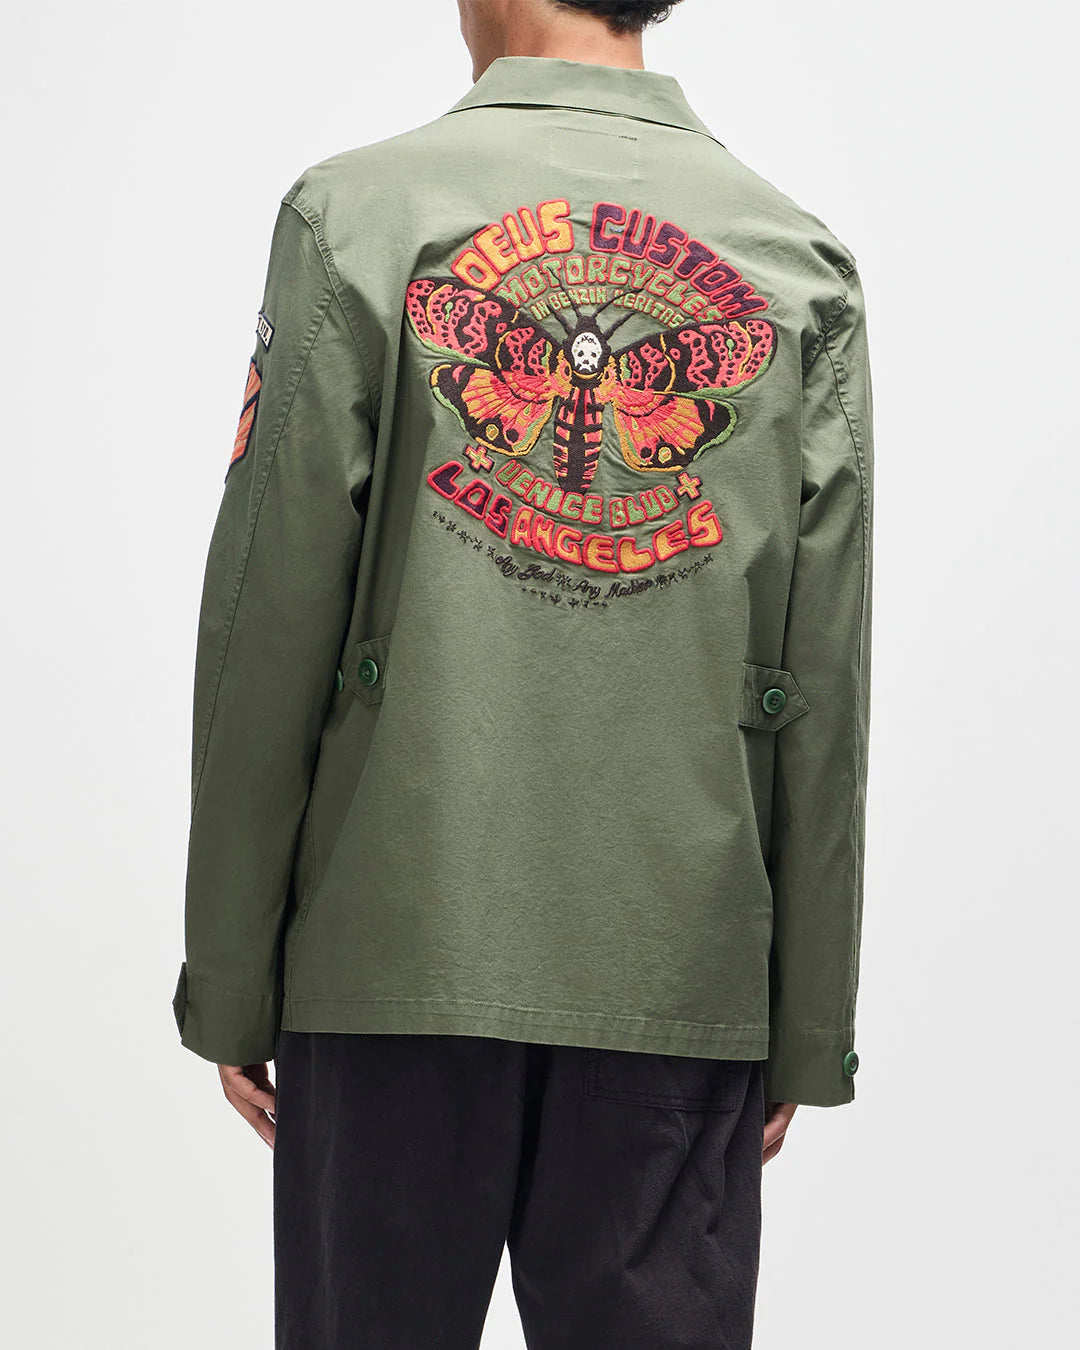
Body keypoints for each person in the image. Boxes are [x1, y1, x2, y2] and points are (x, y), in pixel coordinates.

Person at [172, 0, 875, 1345]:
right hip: (678, 969)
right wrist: (805, 1017)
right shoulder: (797, 264)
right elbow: (823, 674)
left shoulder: (357, 219)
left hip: (388, 953)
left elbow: (268, 620)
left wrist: (232, 976)